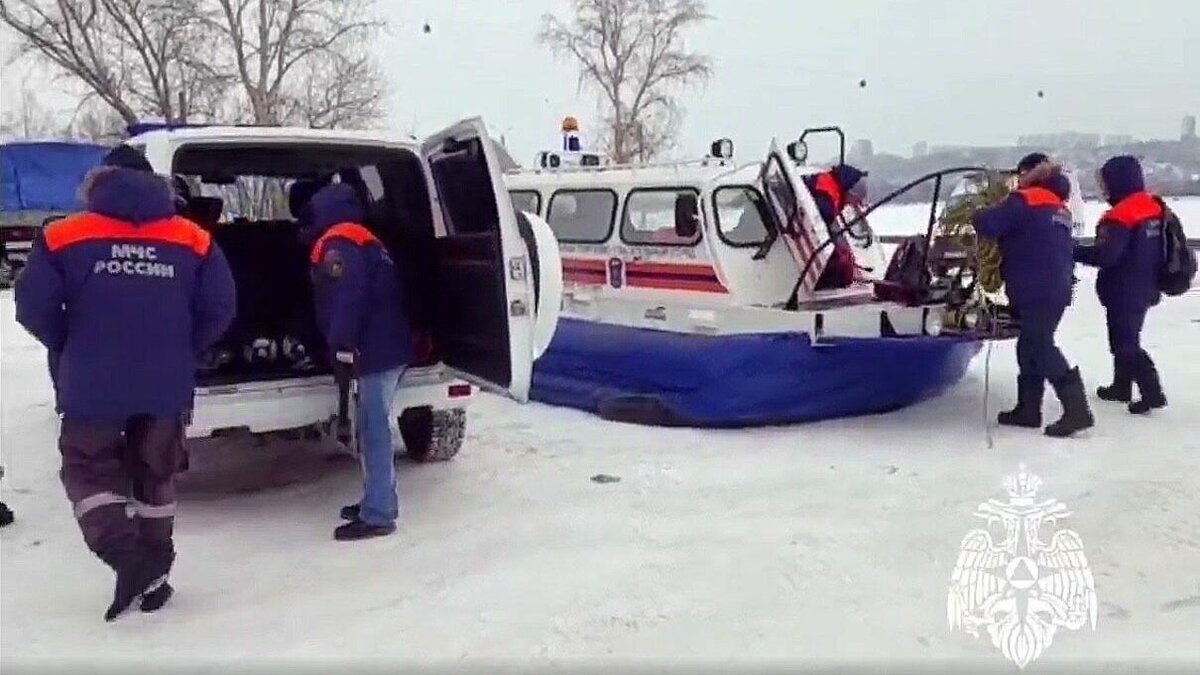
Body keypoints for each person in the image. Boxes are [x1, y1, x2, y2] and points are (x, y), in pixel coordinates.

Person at [14, 145, 236, 620]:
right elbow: (220, 308)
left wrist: (70, 343)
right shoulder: (193, 238)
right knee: (155, 473)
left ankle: (128, 559)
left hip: (91, 385)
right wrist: (182, 347)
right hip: (165, 384)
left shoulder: (62, 235)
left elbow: (32, 307)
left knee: (88, 471)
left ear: (98, 181)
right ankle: (154, 572)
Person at [301, 183, 413, 541]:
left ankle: (379, 514)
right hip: (388, 346)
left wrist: (341, 344)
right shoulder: (364, 237)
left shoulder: (339, 243)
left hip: (374, 351)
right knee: (372, 429)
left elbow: (349, 298)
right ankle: (374, 501)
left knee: (374, 432)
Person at [972, 158, 1094, 438]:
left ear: (1028, 175)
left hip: (1035, 286)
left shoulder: (1026, 199)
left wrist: (978, 214)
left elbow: (990, 224)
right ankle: (1028, 410)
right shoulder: (1058, 206)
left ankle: (1078, 410)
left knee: (1039, 345)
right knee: (1029, 345)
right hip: (1055, 286)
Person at [1073, 155, 1167, 414]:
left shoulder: (1121, 216)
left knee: (1125, 343)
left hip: (1123, 288)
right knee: (1126, 337)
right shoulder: (1153, 207)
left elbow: (1106, 255)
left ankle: (1152, 392)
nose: (1102, 189)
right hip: (1146, 283)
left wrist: (1072, 250)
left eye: (1104, 182)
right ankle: (1121, 386)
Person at [803, 164, 869, 290]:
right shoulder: (826, 194)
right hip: (809, 239)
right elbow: (823, 227)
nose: (854, 204)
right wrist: (841, 253)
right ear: (850, 192)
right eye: (856, 200)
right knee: (837, 264)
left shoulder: (832, 186)